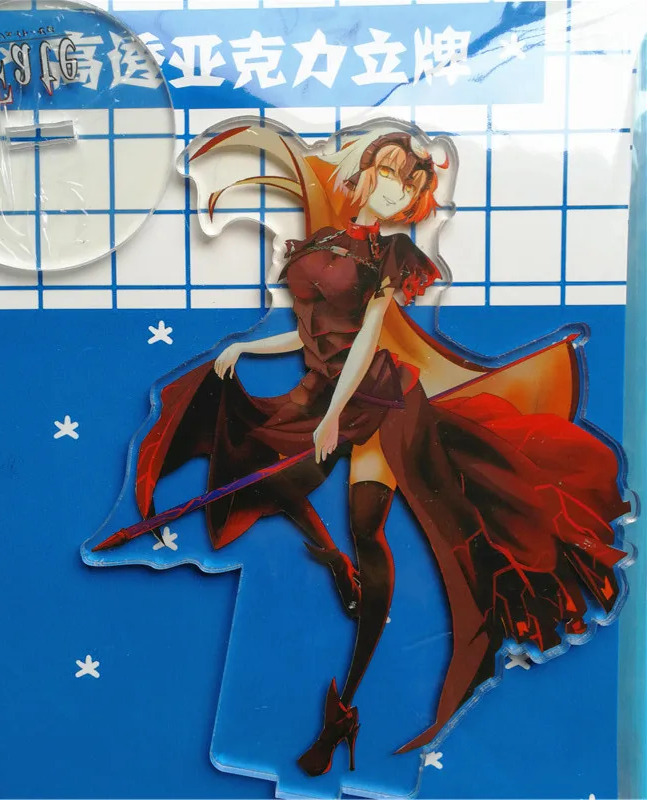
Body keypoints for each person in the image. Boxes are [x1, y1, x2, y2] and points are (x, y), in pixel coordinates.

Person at [103, 120, 630, 776]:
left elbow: (363, 343)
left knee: (370, 529)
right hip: (326, 396)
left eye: (406, 185)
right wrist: (245, 348)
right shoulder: (321, 245)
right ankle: (330, 566)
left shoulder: (392, 258)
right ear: (362, 174)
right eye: (384, 174)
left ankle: (348, 703)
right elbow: (311, 336)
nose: (391, 190)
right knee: (269, 472)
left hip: (382, 400)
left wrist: (334, 418)